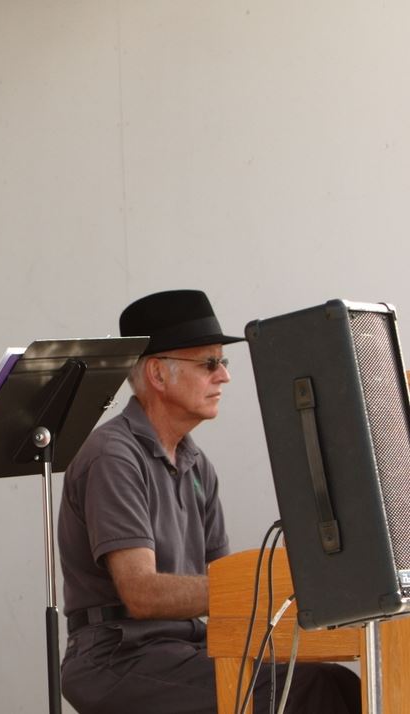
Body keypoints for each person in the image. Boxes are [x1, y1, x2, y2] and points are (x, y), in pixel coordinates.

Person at [57, 289, 360, 714]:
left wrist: (313, 598)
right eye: (209, 363)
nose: (224, 376)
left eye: (224, 362)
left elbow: (226, 591)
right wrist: (267, 589)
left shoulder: (198, 465)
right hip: (118, 658)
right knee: (315, 692)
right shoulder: (113, 455)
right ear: (160, 375)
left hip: (185, 649)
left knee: (342, 685)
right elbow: (141, 593)